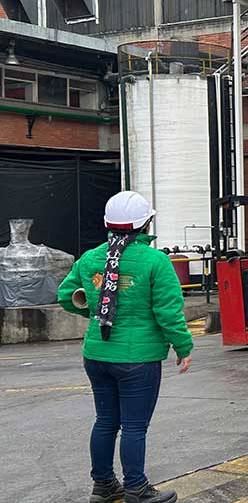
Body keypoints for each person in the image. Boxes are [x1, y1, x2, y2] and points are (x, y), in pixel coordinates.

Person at [57, 191, 193, 503]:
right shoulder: (156, 261)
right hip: (138, 360)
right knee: (134, 426)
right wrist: (183, 346)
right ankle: (136, 487)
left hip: (97, 354)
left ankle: (104, 485)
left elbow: (67, 296)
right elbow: (168, 312)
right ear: (146, 224)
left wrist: (96, 312)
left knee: (106, 421)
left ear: (108, 224)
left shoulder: (91, 258)